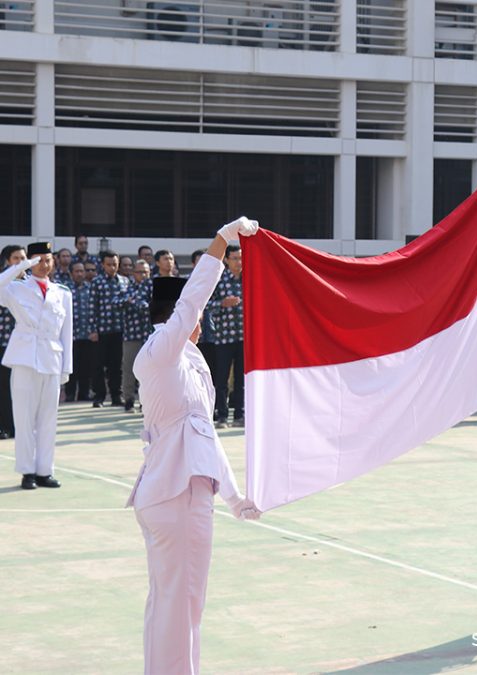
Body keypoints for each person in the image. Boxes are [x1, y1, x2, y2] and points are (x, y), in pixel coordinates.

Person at [128, 218, 260, 674]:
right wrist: (222, 242)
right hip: (175, 495)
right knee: (181, 605)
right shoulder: (161, 350)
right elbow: (190, 303)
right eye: (193, 316)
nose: (199, 322)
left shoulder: (189, 359)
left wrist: (234, 496)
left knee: (174, 604)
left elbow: (203, 435)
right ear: (174, 316)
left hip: (184, 490)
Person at [0, 242, 72, 490]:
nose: (44, 264)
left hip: (52, 358)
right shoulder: (17, 288)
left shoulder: (63, 292)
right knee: (24, 418)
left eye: (48, 260)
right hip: (24, 357)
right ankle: (27, 472)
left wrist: (66, 368)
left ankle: (44, 471)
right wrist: (21, 266)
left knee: (48, 419)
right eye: (38, 259)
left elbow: (66, 333)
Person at [210, 245, 245, 428]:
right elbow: (206, 304)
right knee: (221, 379)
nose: (239, 262)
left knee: (242, 379)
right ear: (226, 260)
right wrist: (222, 304)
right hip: (223, 337)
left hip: (244, 338)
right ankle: (222, 415)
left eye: (241, 258)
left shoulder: (250, 279)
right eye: (235, 258)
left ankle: (240, 415)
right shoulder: (219, 280)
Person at [89, 250, 130, 407]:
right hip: (102, 330)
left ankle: (115, 396)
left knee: (117, 364)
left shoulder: (125, 281)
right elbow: (92, 307)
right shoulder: (97, 282)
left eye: (115, 264)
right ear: (102, 265)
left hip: (120, 329)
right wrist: (93, 329)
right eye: (109, 264)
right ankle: (99, 396)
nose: (112, 267)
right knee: (98, 365)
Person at [0, 245, 27, 438]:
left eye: (23, 258)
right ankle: (5, 426)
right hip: (3, 343)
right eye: (16, 258)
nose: (20, 262)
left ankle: (21, 427)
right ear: (7, 261)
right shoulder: (2, 282)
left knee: (22, 388)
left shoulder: (31, 283)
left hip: (23, 345)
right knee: (3, 387)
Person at [121, 261, 154, 412]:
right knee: (129, 368)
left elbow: (152, 306)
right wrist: (131, 302)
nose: (143, 275)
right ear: (134, 273)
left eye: (146, 272)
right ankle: (128, 399)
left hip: (149, 334)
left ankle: (145, 401)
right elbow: (117, 302)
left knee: (148, 369)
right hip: (131, 334)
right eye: (140, 272)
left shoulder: (153, 287)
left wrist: (135, 303)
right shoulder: (127, 287)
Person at [64, 261, 95, 403]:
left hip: (87, 335)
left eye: (82, 271)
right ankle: (70, 394)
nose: (80, 274)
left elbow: (96, 312)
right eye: (76, 271)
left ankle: (84, 393)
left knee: (86, 367)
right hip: (70, 336)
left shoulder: (91, 289)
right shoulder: (64, 290)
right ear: (71, 273)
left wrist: (94, 330)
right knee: (71, 367)